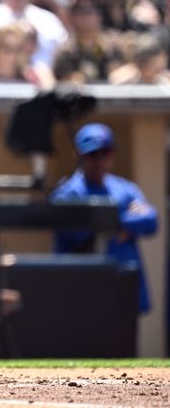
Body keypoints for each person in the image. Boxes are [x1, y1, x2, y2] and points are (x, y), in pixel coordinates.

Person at [51, 123, 157, 313]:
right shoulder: (67, 193)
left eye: (105, 152)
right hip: (83, 294)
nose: (99, 160)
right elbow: (75, 232)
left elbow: (151, 221)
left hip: (123, 290)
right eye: (92, 154)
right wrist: (124, 224)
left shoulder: (124, 188)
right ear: (79, 155)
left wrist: (109, 223)